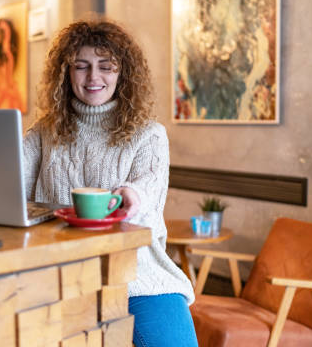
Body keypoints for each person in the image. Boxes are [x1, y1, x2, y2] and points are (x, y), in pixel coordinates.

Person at [23, 18, 197, 347]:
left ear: (122, 73)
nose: (93, 77)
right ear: (66, 72)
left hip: (138, 276)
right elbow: (9, 182)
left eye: (106, 67)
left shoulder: (150, 134)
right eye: (81, 66)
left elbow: (148, 188)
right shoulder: (43, 132)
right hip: (59, 277)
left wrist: (132, 195)